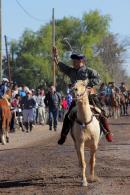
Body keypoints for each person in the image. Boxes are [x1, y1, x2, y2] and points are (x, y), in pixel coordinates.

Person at [53, 47, 113, 145]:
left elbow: (98, 78)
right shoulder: (71, 71)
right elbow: (62, 66)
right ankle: (63, 136)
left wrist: (87, 83)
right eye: (73, 61)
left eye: (75, 61)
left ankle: (107, 132)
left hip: (90, 97)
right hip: (77, 98)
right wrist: (56, 57)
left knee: (101, 112)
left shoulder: (89, 71)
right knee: (68, 116)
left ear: (81, 61)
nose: (73, 63)